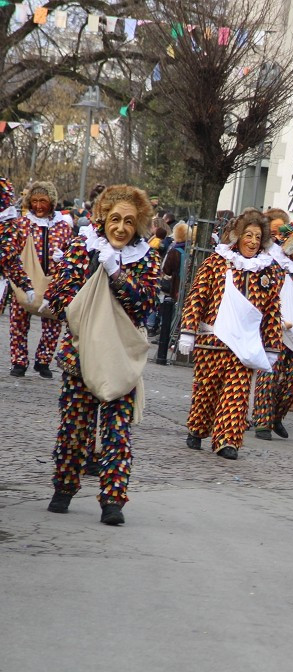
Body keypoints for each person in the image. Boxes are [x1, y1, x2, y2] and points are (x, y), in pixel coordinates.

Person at [42, 185, 159, 525]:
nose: (121, 227)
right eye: (115, 219)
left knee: (117, 431)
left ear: (138, 225)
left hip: (120, 354)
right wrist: (92, 271)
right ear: (103, 219)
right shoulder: (82, 247)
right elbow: (60, 296)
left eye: (128, 221)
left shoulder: (144, 257)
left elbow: (147, 303)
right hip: (81, 353)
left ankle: (113, 502)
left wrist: (119, 277)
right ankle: (63, 487)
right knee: (74, 428)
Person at [178, 208, 285, 460]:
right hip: (212, 341)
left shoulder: (268, 271)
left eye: (258, 238)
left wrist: (271, 346)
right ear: (238, 236)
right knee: (206, 390)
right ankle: (198, 428)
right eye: (248, 235)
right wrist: (188, 330)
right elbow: (197, 297)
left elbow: (272, 311)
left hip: (243, 346)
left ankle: (227, 440)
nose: (253, 242)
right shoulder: (216, 262)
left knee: (236, 395)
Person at [252, 222, 293, 442]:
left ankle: (276, 416)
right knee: (269, 375)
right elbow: (260, 295)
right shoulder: (272, 266)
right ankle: (262, 421)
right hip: (275, 329)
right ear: (290, 244)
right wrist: (273, 319)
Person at [6, 180, 73, 378]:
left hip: (53, 283)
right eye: (34, 201)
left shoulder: (63, 227)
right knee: (18, 322)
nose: (38, 205)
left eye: (42, 200)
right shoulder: (22, 224)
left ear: (51, 201)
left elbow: (72, 252)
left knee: (52, 324)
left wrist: (65, 256)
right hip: (24, 281)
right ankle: (19, 361)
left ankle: (43, 361)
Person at [155, 222, 189, 365]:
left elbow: (167, 270)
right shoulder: (189, 250)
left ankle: (168, 339)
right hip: (183, 287)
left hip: (173, 287)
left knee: (170, 312)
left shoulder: (174, 251)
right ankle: (175, 337)